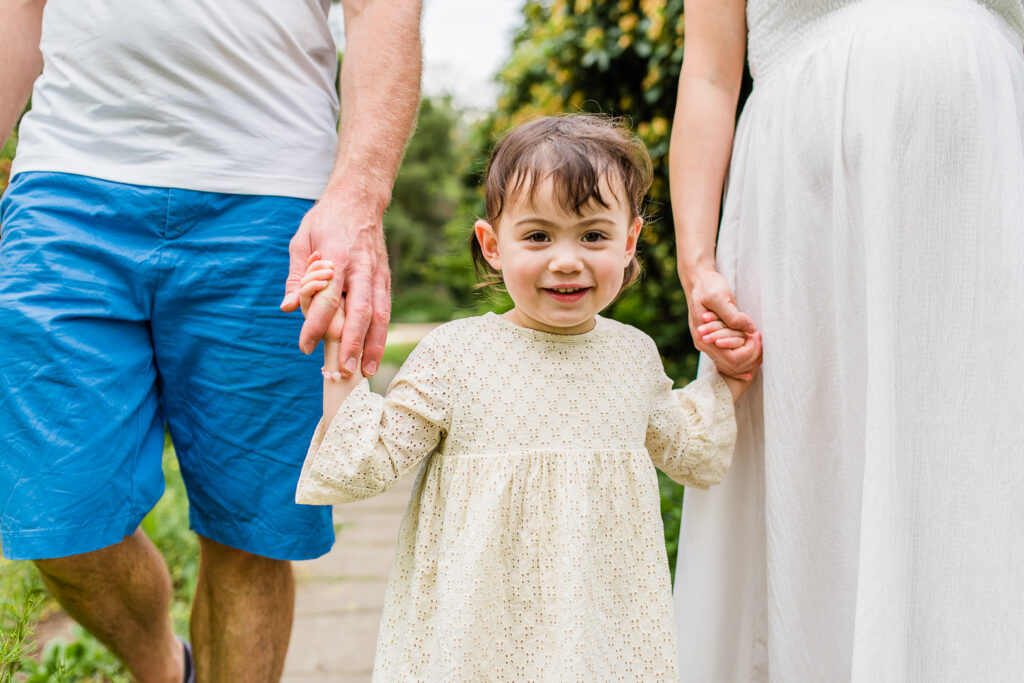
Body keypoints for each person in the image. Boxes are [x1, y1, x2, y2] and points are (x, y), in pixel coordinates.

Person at [0, 0, 421, 680]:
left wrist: (359, 194)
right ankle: (167, 668)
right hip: (66, 184)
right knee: (56, 511)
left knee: (252, 530)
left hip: (274, 196)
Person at [292, 114, 762, 679]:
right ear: (492, 244)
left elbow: (685, 446)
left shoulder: (633, 356)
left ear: (630, 239)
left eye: (593, 234)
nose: (566, 259)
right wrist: (341, 357)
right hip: (481, 633)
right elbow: (366, 464)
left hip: (600, 628)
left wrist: (728, 380)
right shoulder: (455, 355)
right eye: (538, 236)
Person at [669, 1, 1024, 680]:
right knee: (822, 475)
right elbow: (710, 74)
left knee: (986, 465)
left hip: (990, 185)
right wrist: (698, 263)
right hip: (811, 202)